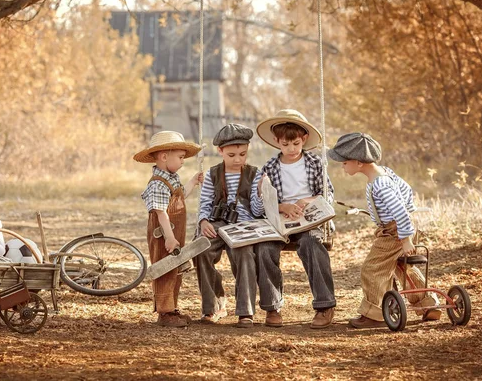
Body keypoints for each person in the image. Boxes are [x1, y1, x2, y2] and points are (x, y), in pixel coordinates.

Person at [327, 132, 441, 328]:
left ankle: (375, 313)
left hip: (394, 233)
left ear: (358, 162)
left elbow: (400, 212)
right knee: (402, 267)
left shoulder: (380, 185)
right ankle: (426, 304)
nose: (342, 166)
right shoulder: (385, 173)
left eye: (344, 162)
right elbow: (406, 190)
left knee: (372, 269)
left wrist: (405, 238)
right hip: (397, 229)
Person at [256, 109, 336, 328]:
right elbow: (262, 200)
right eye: (285, 145)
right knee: (264, 249)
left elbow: (328, 193)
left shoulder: (315, 163)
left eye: (295, 144)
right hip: (281, 219)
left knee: (311, 244)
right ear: (276, 142)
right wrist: (282, 206)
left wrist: (306, 201)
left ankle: (324, 305)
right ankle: (272, 307)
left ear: (304, 139)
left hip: (308, 219)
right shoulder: (270, 167)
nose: (291, 149)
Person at [195, 123, 265, 328]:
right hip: (217, 223)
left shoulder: (255, 174)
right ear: (220, 151)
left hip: (244, 225)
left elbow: (258, 211)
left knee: (244, 256)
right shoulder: (212, 174)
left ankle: (245, 311)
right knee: (202, 250)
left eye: (243, 154)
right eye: (232, 155)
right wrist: (204, 221)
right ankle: (212, 305)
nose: (238, 160)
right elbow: (205, 203)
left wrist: (260, 192)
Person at [134, 131, 203, 327]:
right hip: (163, 234)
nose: (183, 161)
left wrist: (193, 181)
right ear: (164, 157)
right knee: (164, 268)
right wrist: (169, 238)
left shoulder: (172, 178)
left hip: (175, 232)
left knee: (175, 268)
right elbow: (161, 213)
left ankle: (172, 308)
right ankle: (164, 312)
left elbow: (181, 197)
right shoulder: (157, 184)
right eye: (180, 157)